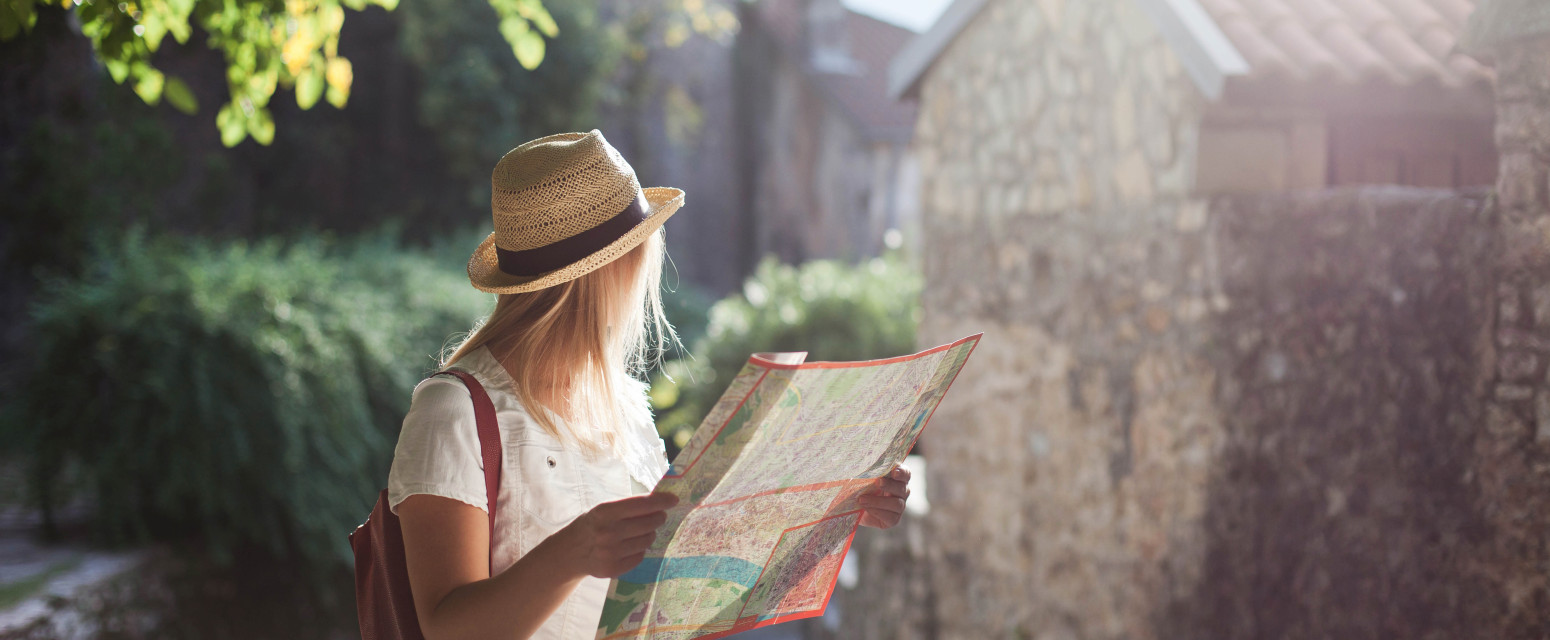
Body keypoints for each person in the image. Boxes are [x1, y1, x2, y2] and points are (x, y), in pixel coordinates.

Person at [386, 130, 913, 640]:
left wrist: (832, 506)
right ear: (610, 269)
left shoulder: (625, 403)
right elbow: (447, 629)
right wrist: (573, 552)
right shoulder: (453, 410)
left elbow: (685, 578)